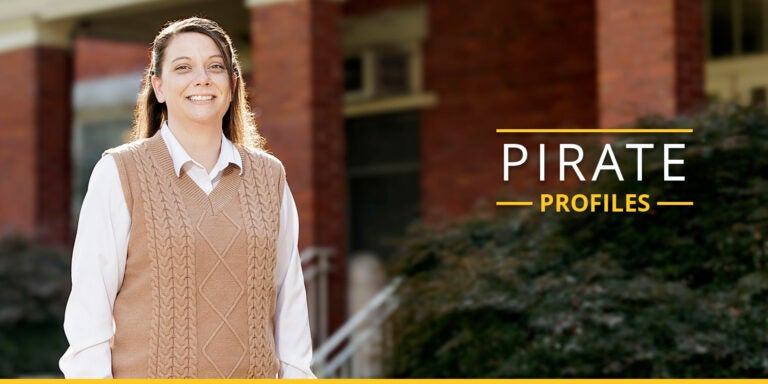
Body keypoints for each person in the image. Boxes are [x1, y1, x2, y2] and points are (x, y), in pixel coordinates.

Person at [59, 17, 315, 378]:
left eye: (215, 67)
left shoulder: (269, 176)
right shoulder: (120, 173)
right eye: (183, 67)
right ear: (158, 87)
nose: (203, 79)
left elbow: (290, 303)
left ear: (233, 84)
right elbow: (89, 312)